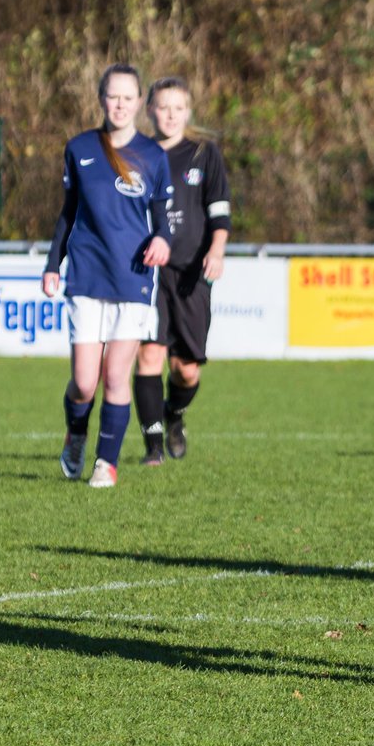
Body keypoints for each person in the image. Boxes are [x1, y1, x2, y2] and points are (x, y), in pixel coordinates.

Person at [43, 63, 173, 488]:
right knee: (84, 383)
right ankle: (76, 436)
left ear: (139, 103)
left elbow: (162, 217)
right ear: (101, 99)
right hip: (85, 275)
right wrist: (51, 265)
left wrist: (164, 241)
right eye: (111, 96)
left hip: (133, 278)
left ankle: (106, 464)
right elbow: (68, 214)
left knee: (117, 375)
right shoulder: (79, 147)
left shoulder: (153, 156)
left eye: (127, 97)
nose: (119, 104)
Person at [133, 77, 232, 465]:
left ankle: (174, 413)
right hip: (147, 271)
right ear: (150, 110)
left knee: (186, 370)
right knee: (149, 357)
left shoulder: (203, 153)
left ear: (188, 112)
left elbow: (219, 209)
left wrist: (217, 250)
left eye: (178, 108)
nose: (170, 115)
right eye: (163, 106)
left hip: (192, 273)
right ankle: (153, 448)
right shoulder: (136, 153)